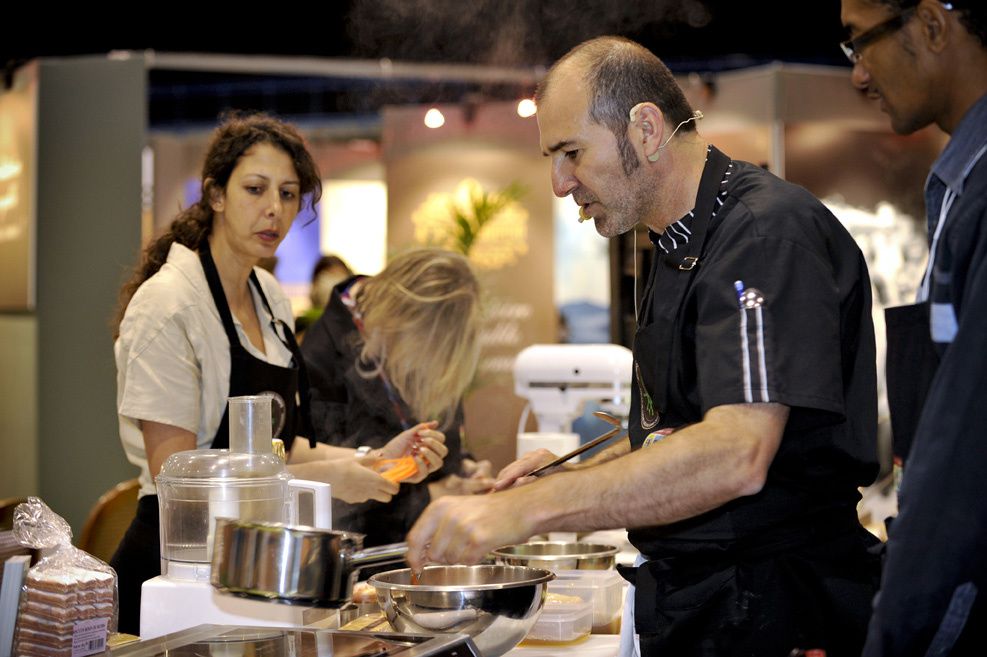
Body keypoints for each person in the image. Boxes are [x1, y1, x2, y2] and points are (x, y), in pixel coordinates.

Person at [407, 36, 882, 657]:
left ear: (647, 129)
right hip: (705, 604)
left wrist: (533, 511)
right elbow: (675, 434)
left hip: (777, 609)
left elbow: (736, 452)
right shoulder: (672, 245)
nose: (558, 183)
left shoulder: (764, 236)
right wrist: (575, 474)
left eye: (571, 152)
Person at [111, 114, 447, 634]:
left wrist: (374, 460)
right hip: (178, 573)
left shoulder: (270, 299)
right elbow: (175, 475)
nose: (275, 209)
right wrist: (327, 479)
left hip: (253, 562)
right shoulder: (169, 305)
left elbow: (280, 447)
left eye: (289, 194)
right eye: (255, 189)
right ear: (215, 195)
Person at [838, 1, 987, 654]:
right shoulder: (959, 183)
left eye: (857, 42)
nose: (856, 75)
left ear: (930, 25)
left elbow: (962, 459)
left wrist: (898, 626)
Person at [301, 247, 493, 547]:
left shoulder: (429, 330)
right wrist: (432, 497)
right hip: (369, 562)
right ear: (402, 319)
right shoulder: (321, 360)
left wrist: (466, 467)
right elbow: (329, 497)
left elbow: (444, 434)